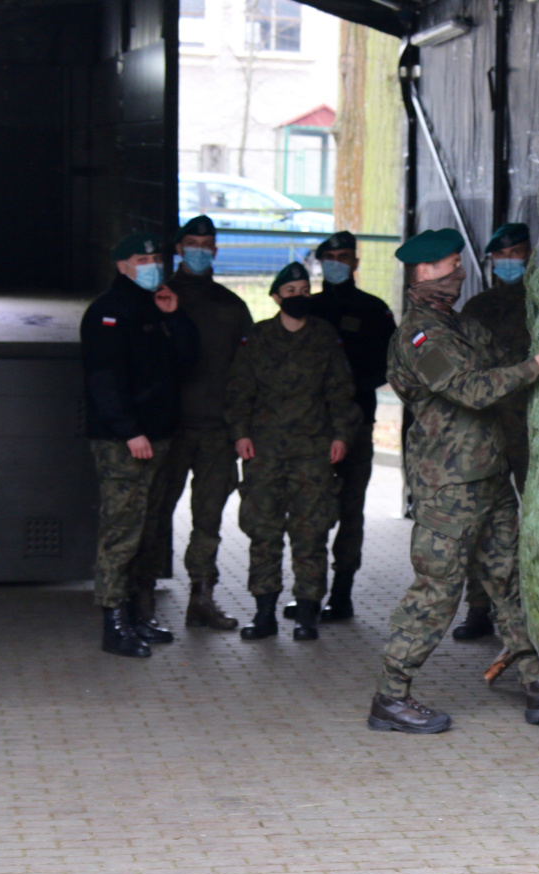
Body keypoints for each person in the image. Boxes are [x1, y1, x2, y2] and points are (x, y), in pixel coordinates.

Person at [368, 228, 539, 734]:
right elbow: (471, 389)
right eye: (450, 265)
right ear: (424, 272)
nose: (460, 273)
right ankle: (391, 697)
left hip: (488, 474)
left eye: (460, 264)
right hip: (449, 486)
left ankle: (538, 684)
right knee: (437, 590)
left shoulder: (461, 325)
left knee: (509, 583)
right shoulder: (421, 336)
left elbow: (506, 362)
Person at [225, 261, 360, 643]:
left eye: (304, 291)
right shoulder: (258, 337)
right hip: (264, 452)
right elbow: (239, 391)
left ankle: (306, 615)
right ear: (275, 297)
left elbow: (340, 391)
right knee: (263, 534)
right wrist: (239, 434)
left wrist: (341, 436)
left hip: (313, 452)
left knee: (311, 534)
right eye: (290, 292)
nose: (299, 297)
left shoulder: (324, 336)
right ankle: (264, 614)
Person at [80, 232, 199, 658]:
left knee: (149, 530)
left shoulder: (157, 307)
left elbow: (188, 361)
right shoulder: (107, 312)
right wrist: (129, 430)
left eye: (155, 259)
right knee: (122, 531)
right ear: (122, 265)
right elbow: (103, 378)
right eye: (142, 259)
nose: (152, 266)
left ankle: (137, 613)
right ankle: (113, 621)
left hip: (161, 437)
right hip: (124, 442)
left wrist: (176, 316)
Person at [281, 231, 395, 623]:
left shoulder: (373, 310)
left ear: (355, 262)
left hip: (356, 424)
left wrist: (346, 391)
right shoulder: (307, 309)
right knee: (308, 511)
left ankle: (342, 594)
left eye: (343, 256)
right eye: (329, 257)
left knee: (350, 510)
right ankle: (309, 593)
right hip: (310, 429)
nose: (336, 263)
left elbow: (388, 366)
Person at [151, 214, 254, 631]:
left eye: (206, 245)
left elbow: (247, 373)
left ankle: (202, 599)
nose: (199, 250)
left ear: (215, 250)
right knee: (154, 514)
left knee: (208, 521)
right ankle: (139, 599)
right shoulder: (158, 297)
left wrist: (240, 428)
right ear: (179, 249)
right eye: (191, 243)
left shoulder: (231, 306)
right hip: (169, 430)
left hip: (216, 432)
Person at [452, 222, 533, 642]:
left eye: (515, 253)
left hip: (535, 430)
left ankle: (534, 609)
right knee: (480, 520)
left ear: (530, 255)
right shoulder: (477, 308)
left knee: (536, 518)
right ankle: (478, 608)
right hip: (487, 428)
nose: (508, 261)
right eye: (500, 256)